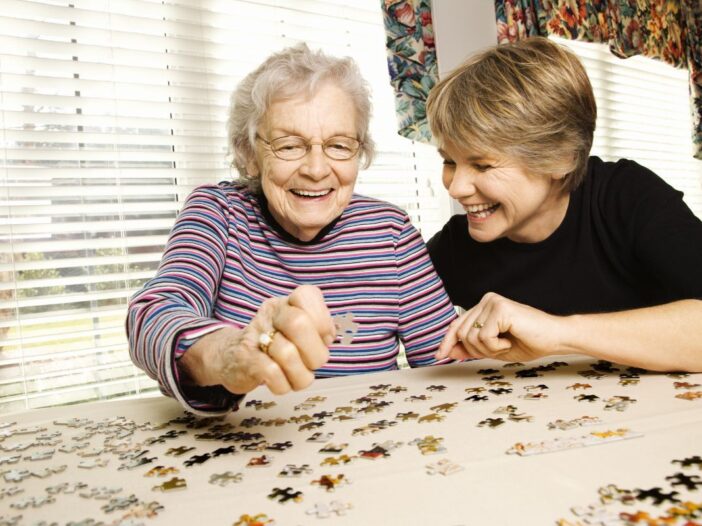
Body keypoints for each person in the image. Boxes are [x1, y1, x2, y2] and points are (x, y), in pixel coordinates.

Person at [127, 44, 456, 414]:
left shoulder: (390, 232)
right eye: (289, 145)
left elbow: (448, 364)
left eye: (338, 145)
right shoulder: (217, 212)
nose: (316, 169)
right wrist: (229, 354)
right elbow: (153, 314)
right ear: (249, 154)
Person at [425, 37, 702, 372]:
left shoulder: (626, 197)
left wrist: (557, 333)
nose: (456, 188)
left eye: (482, 165)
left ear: (561, 158)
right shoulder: (456, 246)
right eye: (449, 162)